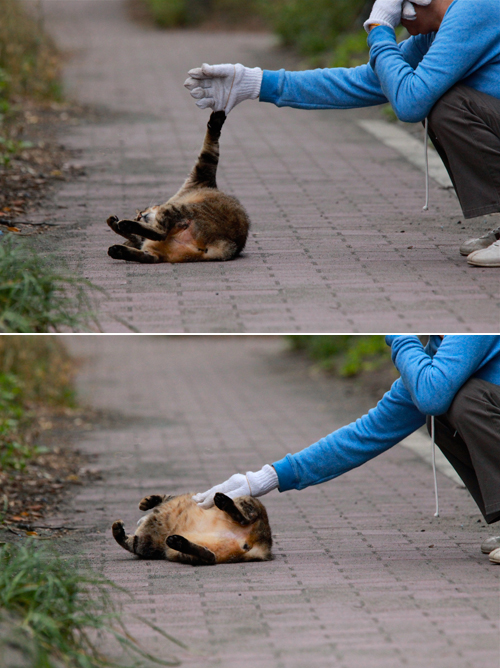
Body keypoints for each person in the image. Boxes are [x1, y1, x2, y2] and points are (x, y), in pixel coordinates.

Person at [184, 0, 500, 267]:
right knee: (437, 97)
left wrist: (380, 31)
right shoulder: (439, 33)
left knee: (443, 103)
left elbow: (410, 102)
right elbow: (365, 81)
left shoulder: (475, 10)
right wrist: (254, 82)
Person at [192, 336, 500, 563]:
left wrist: (401, 339)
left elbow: (432, 395)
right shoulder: (437, 352)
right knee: (442, 414)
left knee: (463, 400)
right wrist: (263, 478)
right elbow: (368, 433)